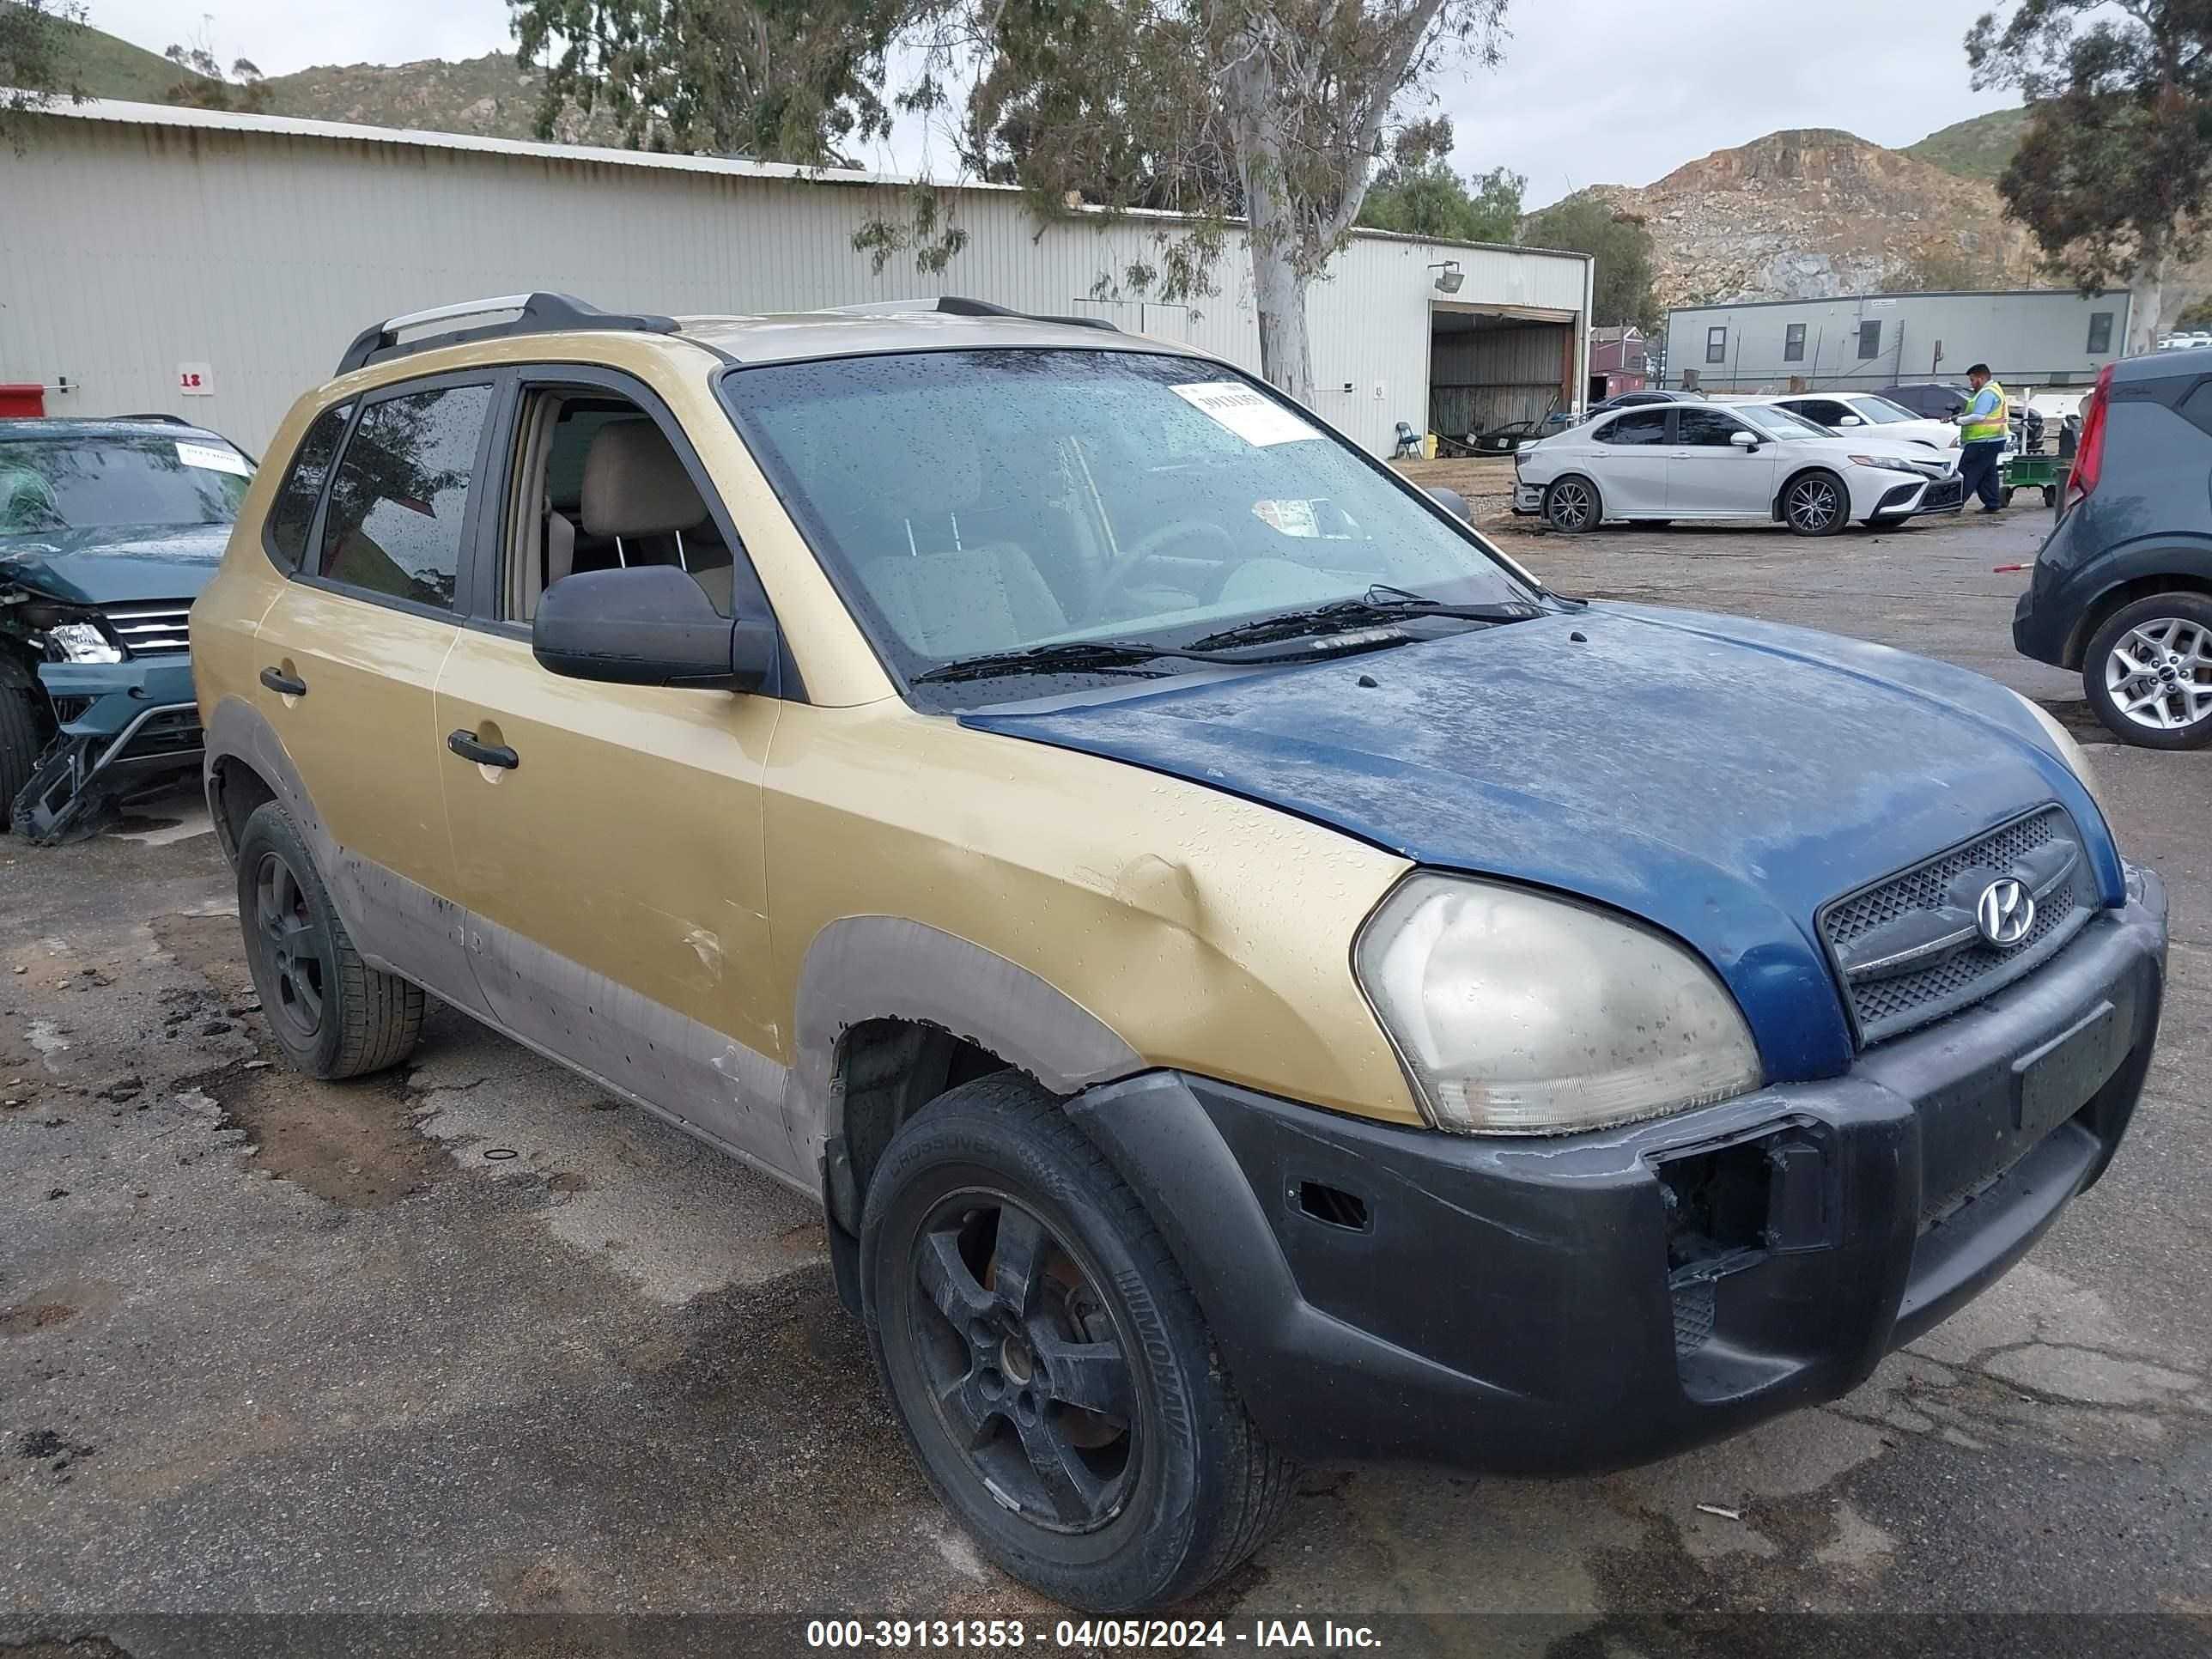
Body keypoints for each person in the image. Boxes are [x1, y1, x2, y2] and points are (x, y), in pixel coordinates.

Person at [1953, 362, 2009, 514]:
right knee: (1987, 473)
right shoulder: (1994, 390)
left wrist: (1960, 420)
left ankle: (1955, 503)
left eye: (1973, 380)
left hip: (1983, 440)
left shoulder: (1987, 393)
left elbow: (1979, 416)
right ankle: (1992, 503)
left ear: (1982, 377)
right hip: (1993, 439)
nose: (1971, 384)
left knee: (1968, 472)